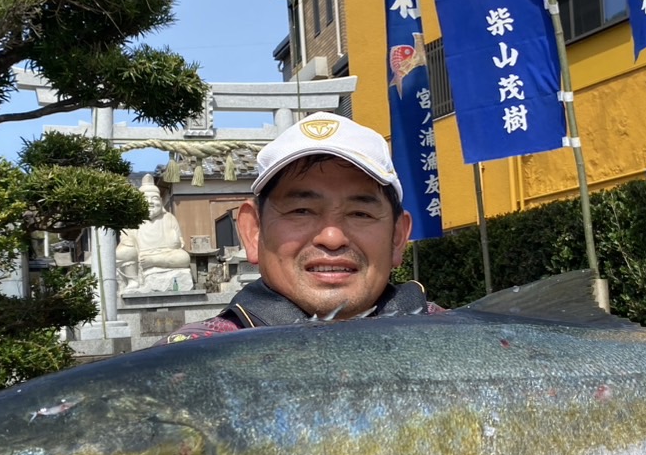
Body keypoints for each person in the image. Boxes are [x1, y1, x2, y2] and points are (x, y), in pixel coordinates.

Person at [159, 112, 441, 342]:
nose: (332, 238)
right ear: (252, 231)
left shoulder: (460, 341)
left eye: (360, 213)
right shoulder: (188, 361)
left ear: (398, 237)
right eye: (301, 211)